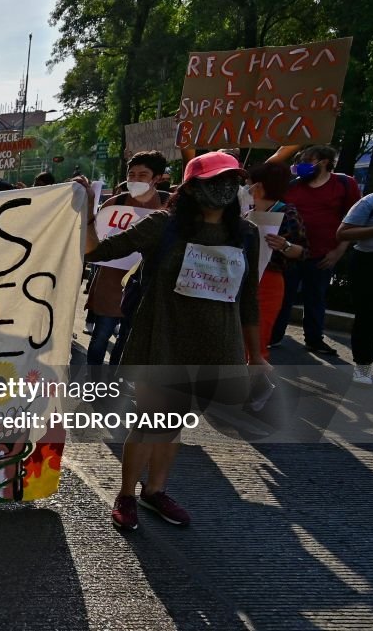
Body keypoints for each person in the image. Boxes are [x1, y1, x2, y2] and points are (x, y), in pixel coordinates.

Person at [76, 151, 264, 531]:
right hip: (160, 338)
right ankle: (127, 495)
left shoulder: (247, 235)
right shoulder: (163, 226)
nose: (225, 188)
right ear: (192, 187)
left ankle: (155, 491)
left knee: (175, 423)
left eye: (231, 180)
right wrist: (88, 211)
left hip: (213, 346)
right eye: (214, 180)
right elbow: (97, 251)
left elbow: (248, 299)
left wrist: (255, 355)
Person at [271, 145, 360, 354]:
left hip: (323, 254)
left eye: (306, 161)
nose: (300, 166)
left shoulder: (344, 184)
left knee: (316, 297)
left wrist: (338, 252)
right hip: (290, 252)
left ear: (324, 162)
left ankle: (313, 339)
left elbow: (353, 222)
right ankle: (273, 336)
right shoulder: (291, 186)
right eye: (299, 161)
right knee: (283, 296)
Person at [86, 151, 171, 369]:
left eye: (143, 175)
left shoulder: (168, 206)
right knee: (99, 340)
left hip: (144, 286)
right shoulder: (114, 204)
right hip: (111, 283)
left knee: (127, 341)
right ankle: (92, 381)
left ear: (158, 178)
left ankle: (116, 381)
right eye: (131, 174)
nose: (135, 180)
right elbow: (94, 240)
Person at [243, 163, 308, 361]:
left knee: (257, 336)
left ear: (259, 186)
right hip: (238, 277)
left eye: (248, 183)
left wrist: (285, 245)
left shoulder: (287, 213)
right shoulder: (242, 208)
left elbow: (303, 252)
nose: (245, 188)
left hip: (268, 282)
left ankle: (253, 382)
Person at [337, 190, 373, 385]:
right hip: (369, 264)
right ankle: (363, 368)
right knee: (368, 316)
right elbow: (343, 233)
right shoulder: (372, 201)